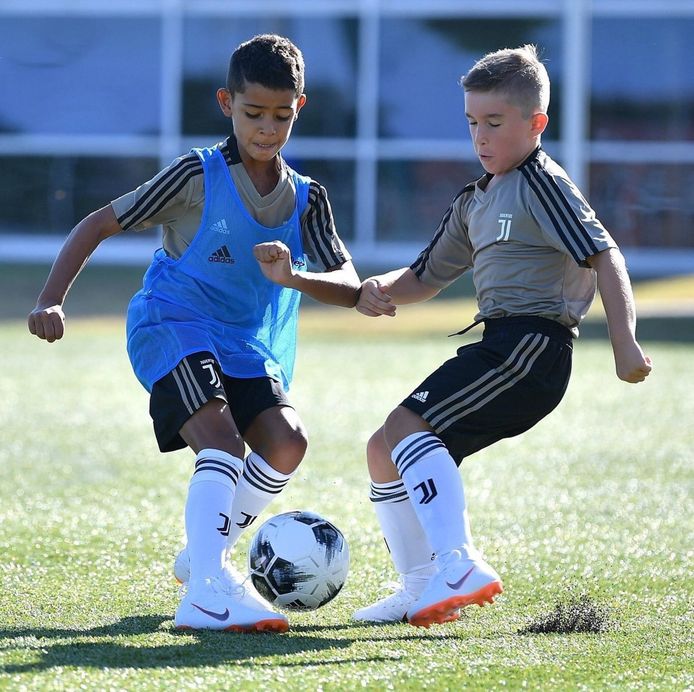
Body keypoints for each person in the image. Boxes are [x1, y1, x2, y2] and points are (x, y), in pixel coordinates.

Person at [28, 34, 360, 633]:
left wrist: (295, 276)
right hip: (172, 325)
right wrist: (51, 299)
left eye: (281, 116)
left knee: (287, 443)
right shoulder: (195, 175)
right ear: (225, 103)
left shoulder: (308, 199)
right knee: (222, 442)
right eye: (252, 112)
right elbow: (98, 222)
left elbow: (348, 284)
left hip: (246, 344)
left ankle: (203, 557)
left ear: (299, 108)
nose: (266, 128)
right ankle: (207, 591)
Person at [352, 44, 652, 628]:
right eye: (472, 123)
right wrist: (378, 288)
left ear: (537, 124)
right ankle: (419, 588)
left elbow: (604, 255)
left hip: (531, 349)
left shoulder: (542, 183)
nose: (480, 137)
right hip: (501, 346)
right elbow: (425, 274)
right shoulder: (476, 198)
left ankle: (459, 563)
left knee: (409, 428)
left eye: (494, 123)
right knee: (384, 449)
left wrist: (625, 342)